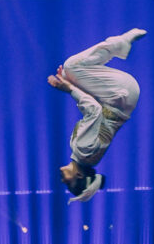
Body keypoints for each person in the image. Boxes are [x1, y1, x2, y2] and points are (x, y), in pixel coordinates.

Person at [48, 29, 148, 203]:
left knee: (66, 75)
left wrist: (69, 84)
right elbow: (93, 109)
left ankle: (119, 45)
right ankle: (121, 44)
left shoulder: (88, 158)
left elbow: (94, 113)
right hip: (119, 94)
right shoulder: (83, 151)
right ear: (79, 176)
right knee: (71, 67)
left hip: (122, 98)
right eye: (69, 184)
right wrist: (69, 89)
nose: (63, 181)